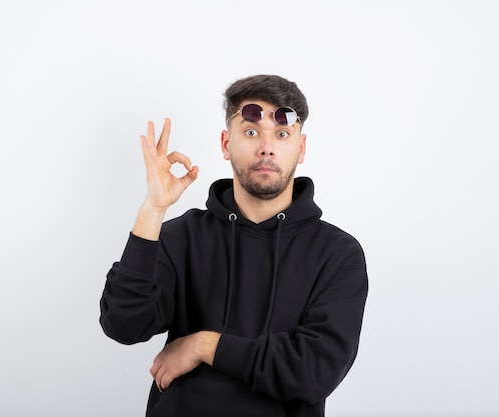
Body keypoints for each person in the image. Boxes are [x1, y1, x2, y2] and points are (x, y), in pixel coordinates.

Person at [99, 74, 368, 417]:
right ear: (226, 144)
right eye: (251, 132)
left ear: (300, 149)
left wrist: (203, 345)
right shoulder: (181, 236)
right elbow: (123, 325)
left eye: (282, 134)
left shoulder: (336, 254)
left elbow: (314, 372)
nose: (266, 147)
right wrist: (152, 211)